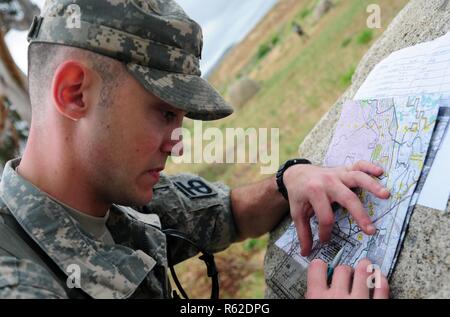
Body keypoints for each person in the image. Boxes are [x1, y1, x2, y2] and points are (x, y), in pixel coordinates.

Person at [0, 0, 389, 299]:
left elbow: (229, 213)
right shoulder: (17, 281)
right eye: (164, 112)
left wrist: (288, 181)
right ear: (74, 93)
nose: (178, 142)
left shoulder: (113, 194)